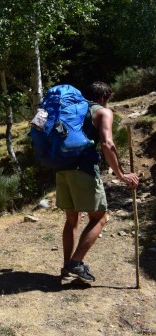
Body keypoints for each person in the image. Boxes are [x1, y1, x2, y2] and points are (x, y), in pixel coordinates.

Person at [59, 82, 139, 283]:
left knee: (72, 219)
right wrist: (121, 175)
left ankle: (67, 267)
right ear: (104, 98)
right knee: (100, 218)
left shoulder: (72, 109)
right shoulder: (102, 112)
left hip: (61, 168)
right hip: (83, 170)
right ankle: (76, 263)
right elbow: (107, 143)